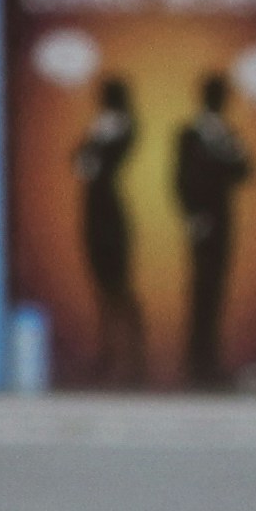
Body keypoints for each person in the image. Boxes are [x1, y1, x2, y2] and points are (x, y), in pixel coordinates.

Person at [172, 66, 255, 389]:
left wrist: (231, 149)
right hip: (200, 223)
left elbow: (245, 172)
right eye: (218, 95)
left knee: (217, 290)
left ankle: (211, 362)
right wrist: (192, 216)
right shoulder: (189, 134)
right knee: (200, 289)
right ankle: (196, 363)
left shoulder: (227, 134)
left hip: (223, 222)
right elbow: (178, 178)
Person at [72, 70, 143, 386]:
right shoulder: (99, 129)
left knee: (119, 285)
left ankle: (134, 355)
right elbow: (78, 163)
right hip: (93, 211)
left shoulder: (122, 129)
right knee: (102, 287)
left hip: (111, 213)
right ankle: (109, 353)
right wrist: (95, 136)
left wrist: (99, 137)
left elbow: (95, 162)